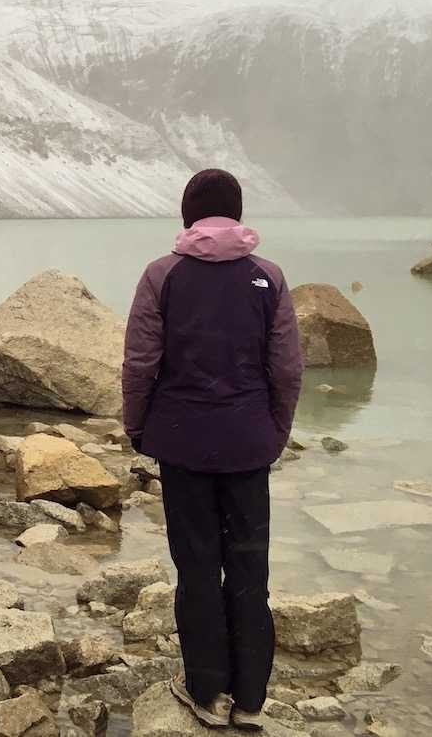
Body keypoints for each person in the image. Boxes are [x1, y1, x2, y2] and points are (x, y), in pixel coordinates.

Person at [121, 168, 303, 730]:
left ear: (187, 214)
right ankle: (249, 700)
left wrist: (137, 427)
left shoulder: (162, 275)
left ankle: (207, 695)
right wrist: (275, 430)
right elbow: (287, 369)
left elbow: (140, 363)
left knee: (197, 569)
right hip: (250, 445)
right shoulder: (268, 278)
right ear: (238, 213)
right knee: (250, 569)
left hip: (182, 445)